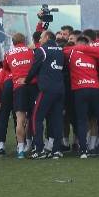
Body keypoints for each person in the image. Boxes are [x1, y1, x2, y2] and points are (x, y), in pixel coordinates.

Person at [25, 31, 67, 159]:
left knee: (36, 118)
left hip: (46, 89)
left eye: (41, 37)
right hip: (60, 89)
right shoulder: (60, 50)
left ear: (47, 37)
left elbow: (34, 68)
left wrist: (26, 80)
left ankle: (39, 150)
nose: (40, 40)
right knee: (57, 119)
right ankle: (56, 150)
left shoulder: (42, 50)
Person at [2, 31, 34, 158]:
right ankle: (30, 145)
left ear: (13, 42)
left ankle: (20, 150)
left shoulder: (8, 54)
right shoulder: (31, 51)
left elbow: (6, 69)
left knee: (20, 120)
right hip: (32, 85)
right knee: (32, 117)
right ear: (24, 41)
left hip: (18, 87)